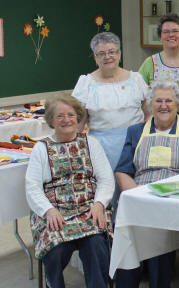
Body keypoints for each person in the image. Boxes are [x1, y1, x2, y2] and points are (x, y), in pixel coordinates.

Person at [114, 80, 179, 288]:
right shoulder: (135, 132)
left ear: (178, 105)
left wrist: (164, 200)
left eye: (168, 101)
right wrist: (137, 198)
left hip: (174, 201)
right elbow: (122, 171)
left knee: (158, 230)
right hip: (139, 197)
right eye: (158, 101)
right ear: (150, 104)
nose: (163, 105)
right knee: (126, 234)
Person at [26, 95, 114, 288]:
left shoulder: (91, 143)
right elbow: (32, 187)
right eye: (60, 116)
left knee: (96, 244)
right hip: (56, 212)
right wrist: (48, 210)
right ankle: (53, 284)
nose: (67, 120)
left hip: (89, 209)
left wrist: (99, 204)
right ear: (50, 120)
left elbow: (106, 179)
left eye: (71, 115)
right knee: (56, 249)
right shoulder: (41, 149)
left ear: (78, 117)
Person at [72, 32, 149, 210]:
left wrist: (146, 137)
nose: (108, 57)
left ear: (119, 54)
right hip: (101, 146)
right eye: (102, 53)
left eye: (112, 52)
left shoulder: (136, 79)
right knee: (105, 192)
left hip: (135, 144)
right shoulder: (86, 83)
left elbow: (148, 113)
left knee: (134, 192)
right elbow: (79, 122)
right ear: (95, 57)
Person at [138, 14, 179, 84]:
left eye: (175, 31)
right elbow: (138, 91)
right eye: (166, 32)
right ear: (160, 37)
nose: (171, 35)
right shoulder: (150, 63)